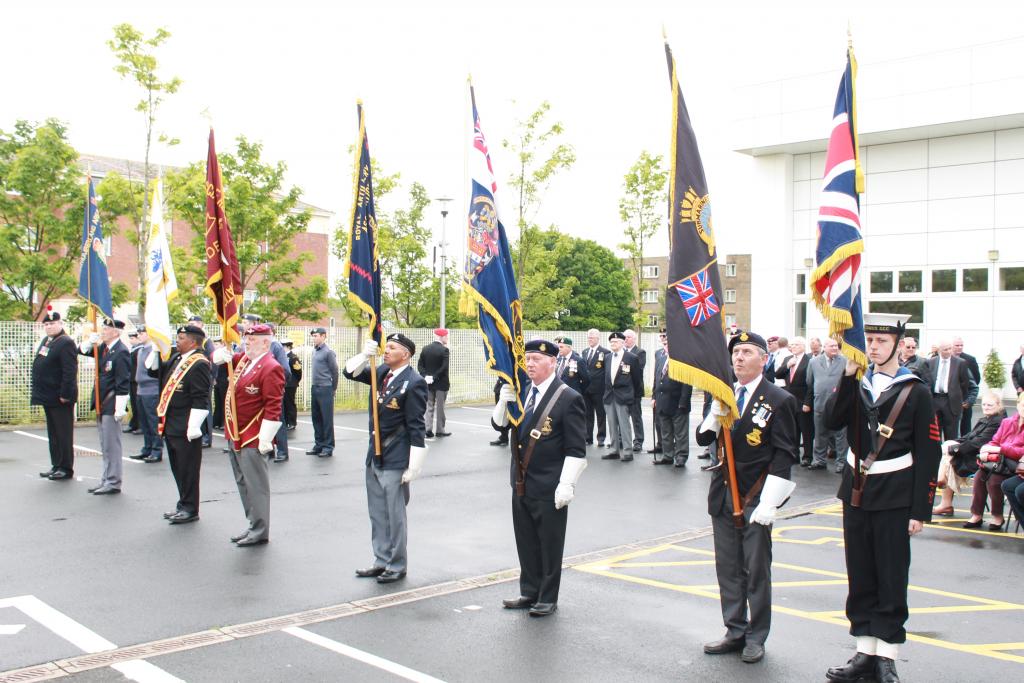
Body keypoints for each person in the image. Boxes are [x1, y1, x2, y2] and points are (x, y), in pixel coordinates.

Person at [824, 313, 940, 683]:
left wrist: (920, 509)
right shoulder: (858, 383)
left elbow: (929, 451)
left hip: (895, 494)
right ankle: (864, 651)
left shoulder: (916, 390)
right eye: (869, 341)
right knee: (860, 573)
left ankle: (887, 655)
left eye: (881, 342)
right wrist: (846, 375)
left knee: (891, 575)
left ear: (898, 345)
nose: (873, 347)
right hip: (856, 491)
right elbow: (832, 420)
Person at [695, 331, 797, 664]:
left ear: (764, 359)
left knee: (756, 570)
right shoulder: (725, 393)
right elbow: (702, 438)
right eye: (736, 352)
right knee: (728, 568)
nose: (739, 358)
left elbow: (784, 455)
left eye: (747, 352)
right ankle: (734, 629)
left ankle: (757, 635)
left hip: (755, 497)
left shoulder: (779, 400)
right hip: (724, 495)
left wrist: (769, 503)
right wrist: (715, 411)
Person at [493, 339, 587, 617]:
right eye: (528, 359)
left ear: (552, 363)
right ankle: (529, 591)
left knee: (549, 543)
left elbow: (575, 448)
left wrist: (567, 484)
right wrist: (503, 401)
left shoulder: (568, 397)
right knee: (526, 540)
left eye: (536, 359)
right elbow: (499, 425)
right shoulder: (521, 394)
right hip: (521, 481)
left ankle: (547, 597)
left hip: (549, 485)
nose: (530, 364)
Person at [343, 333, 428, 584]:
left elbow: (416, 426)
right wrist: (364, 355)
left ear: (406, 354)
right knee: (377, 512)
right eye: (385, 347)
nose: (386, 351)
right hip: (375, 454)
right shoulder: (380, 372)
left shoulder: (414, 382)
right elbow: (349, 373)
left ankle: (397, 564)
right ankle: (381, 560)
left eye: (392, 347)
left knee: (395, 514)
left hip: (395, 455)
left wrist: (414, 465)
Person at [213, 324, 285, 546]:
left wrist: (266, 438)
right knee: (243, 482)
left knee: (257, 486)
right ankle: (253, 523)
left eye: (252, 340)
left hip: (252, 435)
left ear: (266, 342)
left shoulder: (270, 366)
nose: (247, 342)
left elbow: (273, 406)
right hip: (236, 432)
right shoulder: (244, 361)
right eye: (246, 339)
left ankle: (261, 529)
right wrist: (218, 354)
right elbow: (218, 359)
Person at [146, 325, 211, 524]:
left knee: (188, 469)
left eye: (181, 338)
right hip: (171, 423)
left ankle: (191, 508)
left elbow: (201, 397)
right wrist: (156, 349)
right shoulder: (176, 358)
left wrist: (194, 426)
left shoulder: (199, 363)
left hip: (185, 425)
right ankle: (182, 503)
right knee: (178, 468)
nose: (177, 341)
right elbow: (153, 373)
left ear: (192, 341)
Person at [78, 318, 132, 495]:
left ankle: (113, 481)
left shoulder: (121, 351)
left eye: (107, 328)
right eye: (103, 327)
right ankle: (106, 478)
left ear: (116, 332)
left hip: (111, 402)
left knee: (111, 445)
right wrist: (89, 341)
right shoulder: (104, 349)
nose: (103, 330)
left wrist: (120, 407)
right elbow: (81, 351)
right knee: (104, 444)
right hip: (101, 402)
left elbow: (123, 381)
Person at [932, 391, 1006, 516]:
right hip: (973, 452)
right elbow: (968, 437)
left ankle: (942, 490)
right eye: (984, 404)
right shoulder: (986, 419)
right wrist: (952, 444)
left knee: (949, 458)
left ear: (998, 405)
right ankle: (944, 494)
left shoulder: (997, 422)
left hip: (983, 458)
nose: (986, 407)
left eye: (990, 405)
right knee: (948, 447)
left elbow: (978, 443)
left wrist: (953, 449)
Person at [962, 392, 1024, 531]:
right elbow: (995, 441)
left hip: (1016, 465)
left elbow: (1021, 452)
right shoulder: (1008, 422)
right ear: (1018, 405)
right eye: (1022, 405)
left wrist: (1001, 449)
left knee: (994, 480)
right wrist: (987, 449)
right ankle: (976, 514)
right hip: (1001, 462)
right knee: (979, 476)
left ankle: (997, 516)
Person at [31, 307, 78, 481]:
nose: (49, 327)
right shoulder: (48, 340)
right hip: (48, 395)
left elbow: (69, 371)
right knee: (54, 433)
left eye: (53, 323)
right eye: (47, 324)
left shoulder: (65, 342)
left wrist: (65, 394)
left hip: (60, 397)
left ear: (60, 324)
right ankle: (56, 464)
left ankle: (66, 467)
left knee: (63, 433)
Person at [804, 338, 849, 472]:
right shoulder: (813, 361)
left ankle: (841, 463)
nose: (835, 348)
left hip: (839, 405)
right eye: (832, 346)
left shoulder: (844, 361)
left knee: (841, 436)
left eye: (836, 346)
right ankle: (819, 460)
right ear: (824, 347)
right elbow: (809, 381)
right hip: (820, 403)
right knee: (820, 434)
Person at [652, 332, 692, 467]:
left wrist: (683, 402)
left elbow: (687, 384)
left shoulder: (683, 360)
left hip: (677, 402)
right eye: (665, 344)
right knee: (666, 431)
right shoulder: (661, 358)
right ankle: (667, 455)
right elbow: (656, 379)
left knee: (680, 433)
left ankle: (681, 456)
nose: (666, 346)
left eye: (669, 344)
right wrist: (653, 397)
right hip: (662, 401)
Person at [603, 332, 641, 461]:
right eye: (611, 342)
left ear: (623, 343)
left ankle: (627, 452)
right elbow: (606, 377)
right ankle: (614, 450)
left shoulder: (631, 358)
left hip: (623, 395)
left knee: (624, 424)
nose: (613, 344)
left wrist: (635, 396)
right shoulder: (607, 357)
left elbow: (637, 379)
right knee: (612, 424)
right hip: (609, 395)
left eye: (616, 342)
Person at [129, 328, 164, 463]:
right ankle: (147, 447)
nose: (139, 335)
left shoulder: (154, 350)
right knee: (144, 422)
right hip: (141, 390)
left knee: (153, 421)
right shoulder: (141, 350)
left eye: (142, 333)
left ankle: (156, 449)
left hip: (151, 390)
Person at [776, 336, 813, 466]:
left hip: (803, 401)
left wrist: (808, 403)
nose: (793, 347)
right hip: (789, 400)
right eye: (791, 345)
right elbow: (778, 374)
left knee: (806, 430)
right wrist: (787, 365)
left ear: (803, 346)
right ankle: (795, 454)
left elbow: (811, 384)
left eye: (796, 344)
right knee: (792, 430)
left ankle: (808, 456)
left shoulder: (809, 360)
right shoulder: (788, 359)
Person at [926, 340, 972, 441]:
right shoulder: (931, 362)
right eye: (945, 349)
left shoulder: (960, 363)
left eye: (950, 348)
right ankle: (936, 455)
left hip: (951, 402)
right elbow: (928, 381)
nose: (949, 351)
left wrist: (959, 398)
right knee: (934, 434)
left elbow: (965, 383)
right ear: (939, 351)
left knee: (952, 434)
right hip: (935, 400)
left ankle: (950, 455)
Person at [306, 327, 338, 458]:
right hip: (315, 387)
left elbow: (334, 371)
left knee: (326, 419)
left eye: (316, 335)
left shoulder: (328, 352)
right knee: (316, 418)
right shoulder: (315, 351)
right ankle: (319, 444)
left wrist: (333, 388)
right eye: (313, 336)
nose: (314, 338)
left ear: (324, 336)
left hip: (325, 388)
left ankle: (328, 446)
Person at [418, 328, 451, 438]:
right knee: (440, 407)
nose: (447, 338)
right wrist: (435, 377)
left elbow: (420, 365)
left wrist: (425, 376)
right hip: (441, 383)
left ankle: (428, 429)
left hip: (428, 383)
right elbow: (444, 367)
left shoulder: (425, 349)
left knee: (429, 406)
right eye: (446, 336)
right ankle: (440, 430)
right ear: (441, 337)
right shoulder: (444, 350)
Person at [581, 328, 609, 446]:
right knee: (588, 414)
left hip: (599, 389)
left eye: (592, 338)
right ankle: (588, 437)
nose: (590, 340)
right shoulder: (585, 352)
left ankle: (601, 437)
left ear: (598, 338)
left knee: (600, 414)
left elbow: (606, 372)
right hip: (587, 389)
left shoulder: (605, 352)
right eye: (588, 337)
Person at [623, 329, 647, 452]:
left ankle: (638, 441)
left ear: (634, 339)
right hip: (622, 390)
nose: (625, 339)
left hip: (634, 390)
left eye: (628, 337)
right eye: (624, 337)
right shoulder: (620, 352)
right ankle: (622, 439)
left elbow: (638, 369)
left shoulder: (640, 352)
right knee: (622, 417)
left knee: (636, 417)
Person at [952, 336, 981, 437]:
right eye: (957, 345)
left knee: (966, 424)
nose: (959, 347)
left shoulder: (969, 359)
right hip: (951, 399)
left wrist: (969, 398)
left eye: (961, 345)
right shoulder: (946, 359)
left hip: (965, 397)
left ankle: (965, 444)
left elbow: (976, 379)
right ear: (951, 346)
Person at [649, 330, 668, 455]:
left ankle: (669, 446)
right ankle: (660, 444)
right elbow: (657, 376)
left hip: (669, 395)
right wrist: (653, 395)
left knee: (668, 424)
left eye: (664, 336)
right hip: (658, 394)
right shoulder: (658, 353)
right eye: (661, 336)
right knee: (658, 422)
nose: (662, 338)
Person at [282, 340, 302, 430]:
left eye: (283, 346)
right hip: (284, 383)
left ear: (288, 347)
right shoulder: (282, 357)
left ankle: (292, 422)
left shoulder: (293, 358)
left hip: (290, 384)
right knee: (284, 403)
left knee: (290, 403)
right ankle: (286, 421)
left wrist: (294, 382)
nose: (281, 348)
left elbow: (298, 372)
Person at [125, 330, 142, 434]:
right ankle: (134, 423)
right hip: (131, 379)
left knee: (138, 404)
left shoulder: (140, 350)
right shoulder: (133, 349)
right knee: (134, 404)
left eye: (132, 338)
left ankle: (140, 425)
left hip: (137, 380)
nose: (131, 340)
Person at [211, 337, 229, 430]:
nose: (215, 346)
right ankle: (216, 421)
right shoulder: (214, 354)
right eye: (214, 344)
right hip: (217, 380)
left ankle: (223, 422)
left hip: (224, 380)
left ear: (223, 344)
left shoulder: (226, 353)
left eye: (217, 344)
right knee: (217, 401)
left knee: (224, 401)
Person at [490, 378, 512, 447]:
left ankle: (517, 440)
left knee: (514, 415)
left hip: (512, 385)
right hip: (501, 384)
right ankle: (504, 437)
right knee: (501, 415)